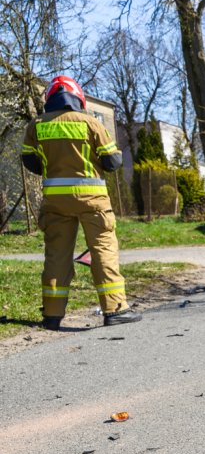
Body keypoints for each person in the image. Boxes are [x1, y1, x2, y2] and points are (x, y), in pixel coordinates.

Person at [21, 75, 141, 330]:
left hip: (55, 202)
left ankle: (52, 315)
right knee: (103, 251)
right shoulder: (91, 123)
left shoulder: (36, 126)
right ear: (78, 98)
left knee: (56, 255)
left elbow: (30, 161)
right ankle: (115, 309)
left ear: (49, 99)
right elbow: (113, 162)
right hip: (93, 202)